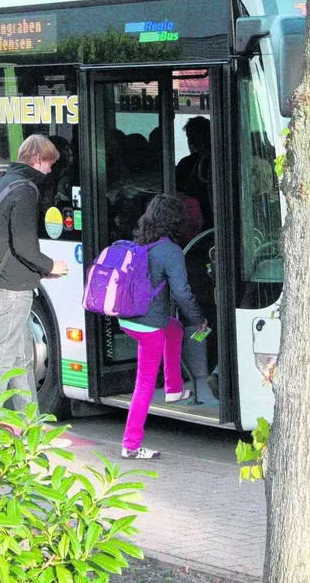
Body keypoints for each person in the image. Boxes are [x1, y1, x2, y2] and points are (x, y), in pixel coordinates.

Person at [117, 193, 209, 460]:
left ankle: (173, 389)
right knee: (144, 384)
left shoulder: (142, 244)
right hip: (149, 327)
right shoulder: (170, 250)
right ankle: (131, 445)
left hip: (128, 318)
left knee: (175, 328)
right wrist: (198, 318)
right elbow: (182, 293)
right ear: (176, 221)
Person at [0, 133, 68, 414]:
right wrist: (49, 266)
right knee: (2, 356)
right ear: (37, 159)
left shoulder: (6, 183)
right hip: (12, 286)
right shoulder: (25, 190)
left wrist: (39, 272)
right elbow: (23, 245)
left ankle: (28, 418)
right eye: (48, 163)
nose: (50, 170)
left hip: (4, 279)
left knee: (20, 356)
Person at [175, 116, 213, 229]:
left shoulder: (187, 164)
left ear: (191, 141)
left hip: (196, 222)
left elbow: (177, 192)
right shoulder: (226, 160)